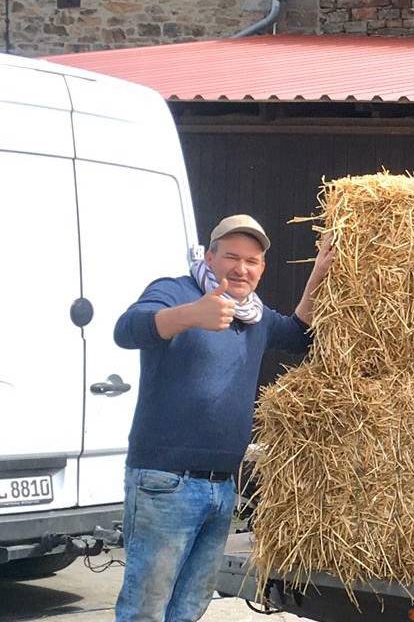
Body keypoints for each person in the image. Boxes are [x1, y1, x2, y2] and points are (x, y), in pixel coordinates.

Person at [111, 214, 333, 622]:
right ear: (210, 256)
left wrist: (319, 272)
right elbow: (127, 329)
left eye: (252, 261)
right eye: (232, 257)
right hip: (166, 482)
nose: (241, 268)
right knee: (146, 609)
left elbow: (300, 334)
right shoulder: (175, 291)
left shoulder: (255, 316)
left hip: (221, 488)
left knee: (190, 606)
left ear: (262, 268)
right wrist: (191, 315)